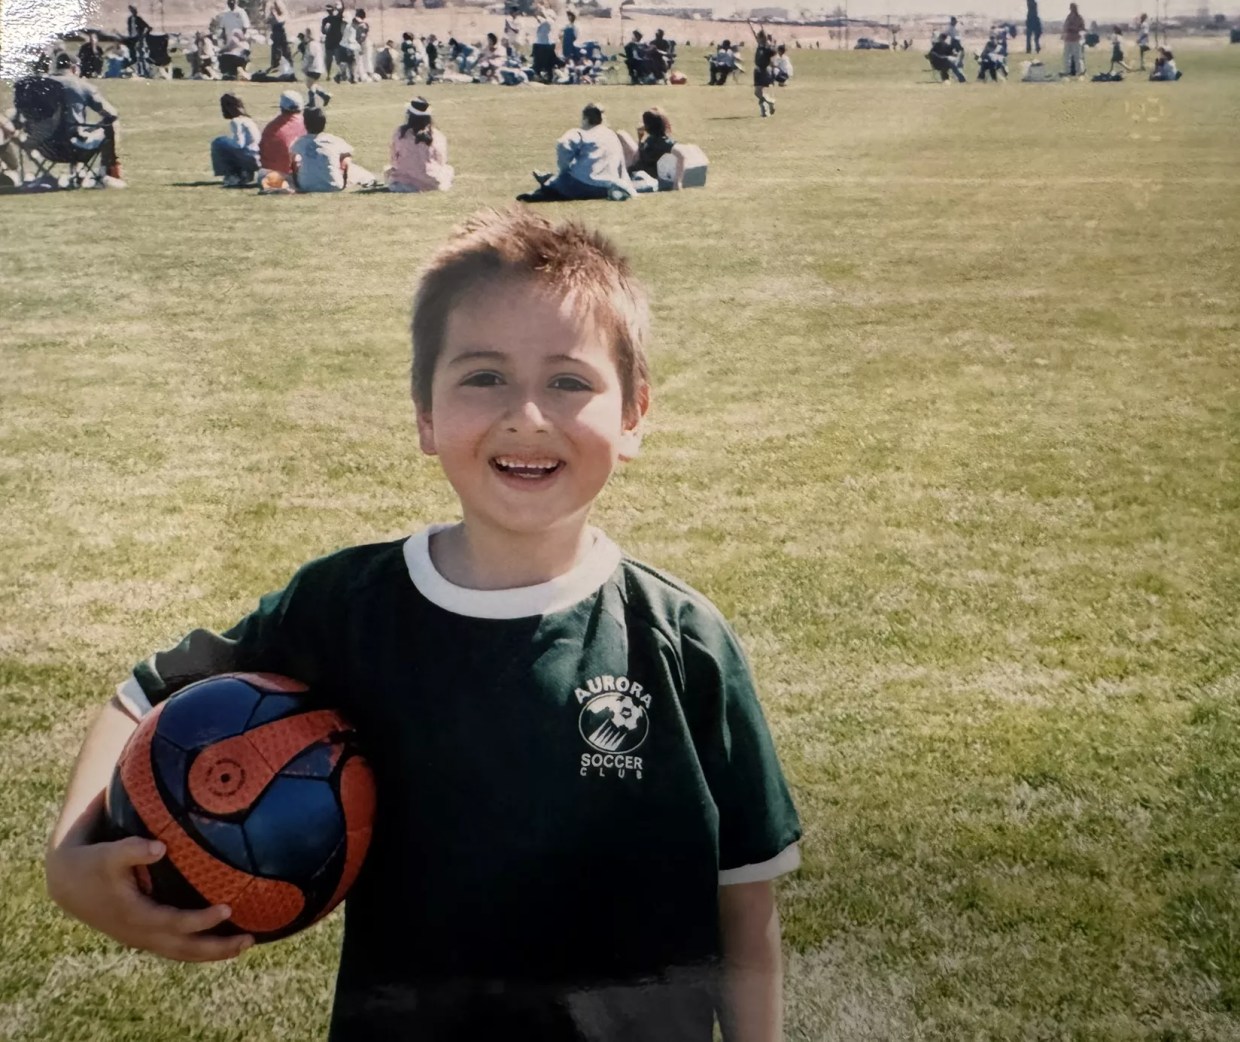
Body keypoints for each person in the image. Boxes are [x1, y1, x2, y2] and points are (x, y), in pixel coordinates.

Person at [43, 206, 802, 1042]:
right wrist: (71, 859)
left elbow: (746, 896)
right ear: (425, 414)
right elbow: (147, 692)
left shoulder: (680, 640)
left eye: (568, 381)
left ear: (634, 416)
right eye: (483, 377)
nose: (527, 415)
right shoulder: (346, 607)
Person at [519, 102, 632, 202]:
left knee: (559, 183)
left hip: (581, 185)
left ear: (586, 119)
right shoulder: (612, 135)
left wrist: (564, 169)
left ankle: (546, 186)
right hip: (606, 187)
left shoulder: (581, 133)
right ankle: (551, 180)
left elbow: (563, 144)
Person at [47, 52, 125, 185]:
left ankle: (75, 171)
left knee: (71, 128)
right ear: (74, 68)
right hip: (72, 147)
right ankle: (108, 171)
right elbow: (111, 113)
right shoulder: (79, 85)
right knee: (110, 124)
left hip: (42, 146)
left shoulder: (38, 84)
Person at [288, 105, 374, 191]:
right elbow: (346, 160)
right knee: (356, 169)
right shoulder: (334, 140)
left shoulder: (299, 142)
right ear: (324, 123)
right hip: (334, 185)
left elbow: (293, 161)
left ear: (305, 124)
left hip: (306, 186)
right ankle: (369, 180)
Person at [385, 96, 453, 192]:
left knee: (388, 170)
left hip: (404, 183)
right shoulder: (436, 135)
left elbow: (394, 159)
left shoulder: (400, 133)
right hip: (432, 183)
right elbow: (442, 160)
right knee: (448, 169)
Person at [617, 107, 687, 192]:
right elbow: (640, 154)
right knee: (621, 134)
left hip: (643, 175)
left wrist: (677, 182)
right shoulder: (651, 139)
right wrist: (640, 137)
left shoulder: (663, 142)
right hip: (637, 167)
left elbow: (682, 155)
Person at [209, 91, 259, 186]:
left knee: (218, 142)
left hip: (250, 158)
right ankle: (245, 173)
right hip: (259, 156)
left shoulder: (236, 121)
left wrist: (226, 143)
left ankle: (232, 175)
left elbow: (239, 144)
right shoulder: (248, 120)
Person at [259, 89, 306, 176]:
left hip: (275, 175)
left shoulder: (271, 129)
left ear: (282, 107)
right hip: (301, 174)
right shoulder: (307, 124)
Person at [750, 22, 776, 117]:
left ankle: (768, 104)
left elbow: (773, 52)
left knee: (758, 92)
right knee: (758, 92)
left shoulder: (766, 48)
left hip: (763, 70)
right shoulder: (760, 46)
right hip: (757, 70)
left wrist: (769, 44)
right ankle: (766, 108)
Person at [302, 26, 331, 107]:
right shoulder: (317, 44)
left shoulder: (311, 44)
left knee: (310, 85)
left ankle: (313, 102)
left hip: (313, 67)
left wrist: (305, 67)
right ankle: (324, 96)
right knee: (311, 84)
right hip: (319, 67)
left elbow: (311, 56)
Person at [125, 5, 153, 77]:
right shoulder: (129, 19)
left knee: (140, 56)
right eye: (131, 10)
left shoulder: (138, 19)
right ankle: (137, 71)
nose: (133, 12)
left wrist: (143, 35)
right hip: (132, 39)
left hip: (138, 39)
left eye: (134, 10)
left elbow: (148, 27)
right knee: (133, 56)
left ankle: (143, 72)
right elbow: (129, 29)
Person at [532, 7, 557, 83]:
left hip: (546, 44)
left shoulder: (549, 21)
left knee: (548, 63)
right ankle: (538, 77)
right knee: (537, 63)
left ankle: (549, 78)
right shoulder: (541, 22)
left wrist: (542, 13)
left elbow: (546, 21)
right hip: (539, 43)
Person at [267, 0, 293, 73]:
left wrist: (274, 14)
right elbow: (269, 21)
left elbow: (280, 21)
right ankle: (275, 65)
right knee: (276, 50)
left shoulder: (282, 13)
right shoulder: (272, 13)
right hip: (275, 33)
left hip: (281, 33)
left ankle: (289, 65)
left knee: (285, 51)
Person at [1062, 2, 1086, 76]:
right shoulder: (1068, 17)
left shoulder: (1079, 18)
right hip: (1068, 38)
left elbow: (1083, 28)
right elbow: (1065, 26)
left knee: (1077, 56)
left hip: (1076, 39)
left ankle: (1079, 71)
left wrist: (1075, 29)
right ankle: (1067, 71)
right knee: (1066, 56)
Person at [321, 3, 345, 78]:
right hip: (330, 42)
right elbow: (323, 31)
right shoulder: (325, 20)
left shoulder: (337, 18)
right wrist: (326, 29)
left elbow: (342, 10)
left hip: (337, 42)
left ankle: (342, 74)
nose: (329, 11)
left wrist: (341, 2)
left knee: (338, 60)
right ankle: (328, 75)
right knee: (328, 60)